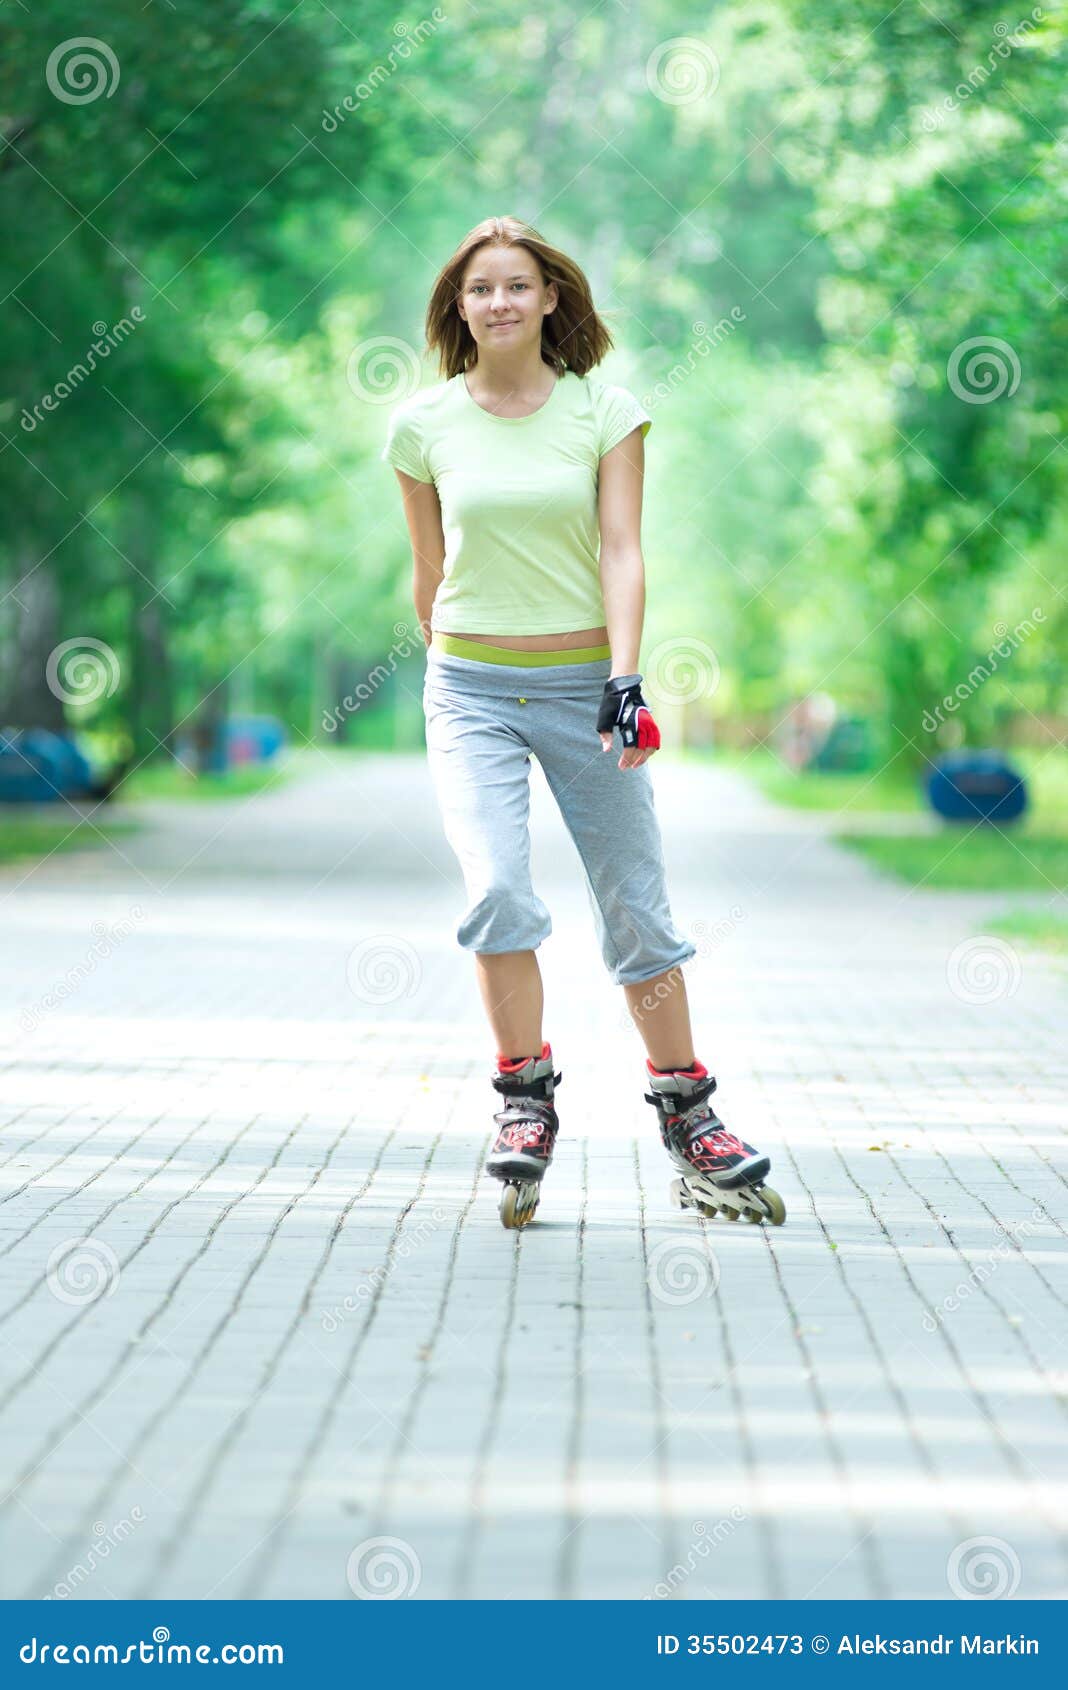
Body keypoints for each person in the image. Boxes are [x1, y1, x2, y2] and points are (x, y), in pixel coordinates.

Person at [381, 214, 782, 1228]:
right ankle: (524, 1103)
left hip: (586, 687)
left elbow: (622, 550)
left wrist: (626, 675)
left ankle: (691, 1118)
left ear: (552, 297)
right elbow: (427, 578)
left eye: (519, 285)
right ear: (459, 307)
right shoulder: (422, 426)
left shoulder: (605, 411)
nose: (501, 302)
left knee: (637, 908)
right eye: (482, 290)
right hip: (469, 690)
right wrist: (459, 651)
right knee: (498, 892)